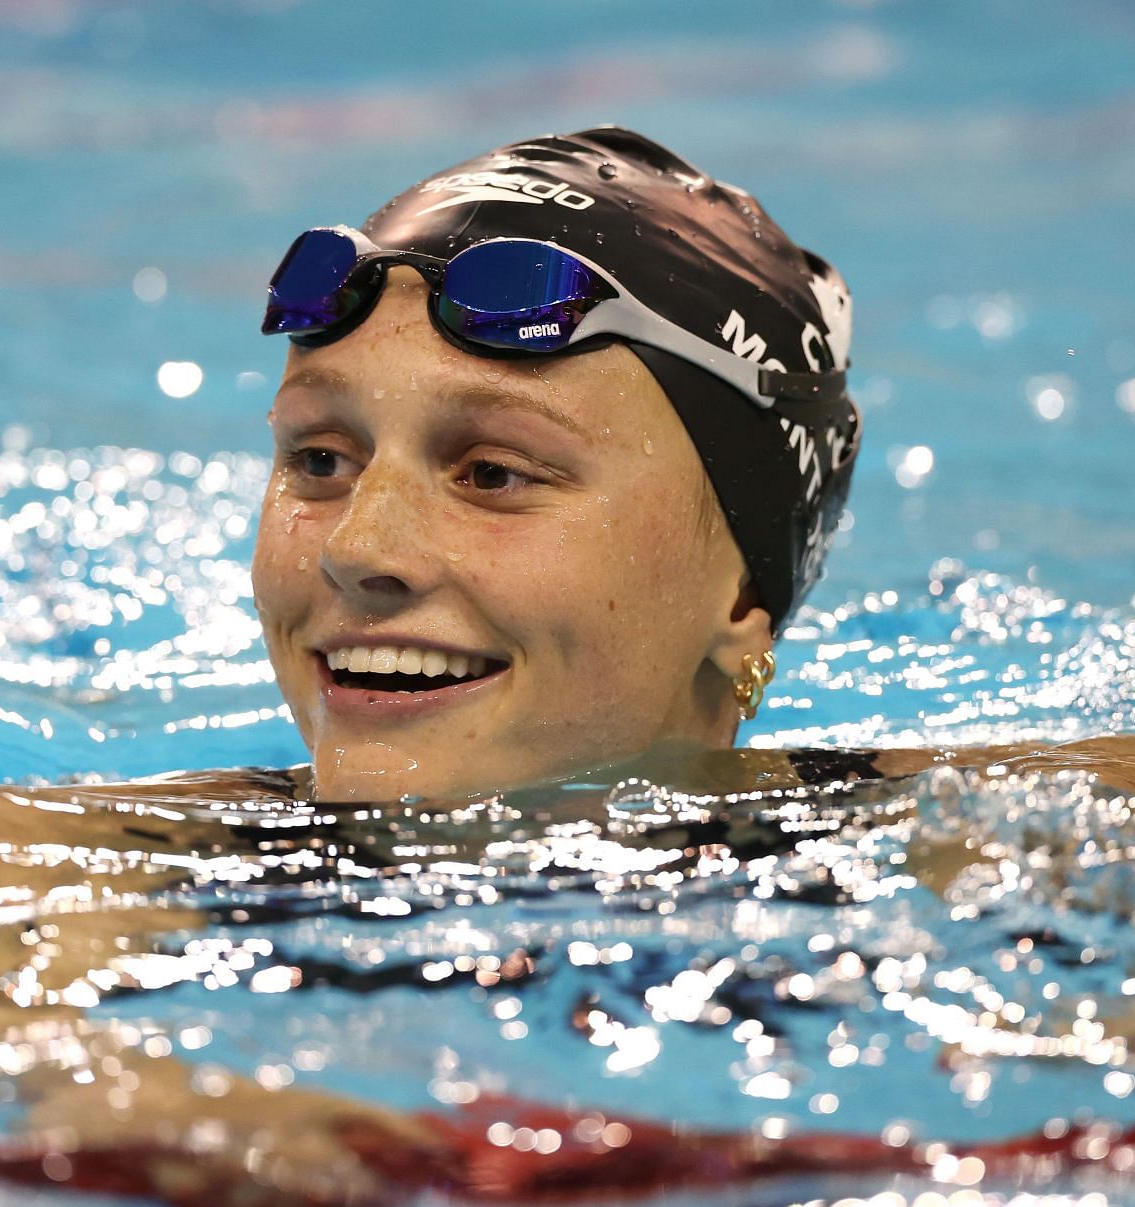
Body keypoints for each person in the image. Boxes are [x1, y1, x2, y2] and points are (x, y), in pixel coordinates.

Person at [250, 126, 860, 801]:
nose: (356, 549)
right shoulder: (159, 873)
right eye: (322, 460)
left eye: (493, 474)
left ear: (744, 595)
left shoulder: (936, 845)